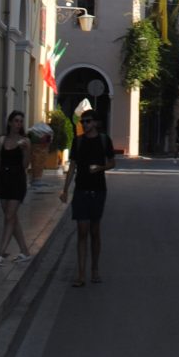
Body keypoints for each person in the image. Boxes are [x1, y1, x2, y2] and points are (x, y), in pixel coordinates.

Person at [62, 113, 115, 286]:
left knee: (95, 231)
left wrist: (100, 168)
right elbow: (72, 166)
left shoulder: (104, 140)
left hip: (98, 190)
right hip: (81, 190)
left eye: (88, 121)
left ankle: (95, 269)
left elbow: (112, 162)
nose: (84, 124)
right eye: (82, 122)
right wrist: (65, 189)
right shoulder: (78, 141)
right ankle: (81, 274)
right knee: (82, 231)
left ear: (95, 123)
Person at [0, 109, 31, 264]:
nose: (19, 124)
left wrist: (26, 151)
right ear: (10, 122)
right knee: (12, 217)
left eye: (21, 121)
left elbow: (25, 165)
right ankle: (25, 251)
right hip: (3, 180)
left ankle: (1, 252)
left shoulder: (25, 141)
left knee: (9, 217)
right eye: (16, 121)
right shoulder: (2, 139)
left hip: (17, 181)